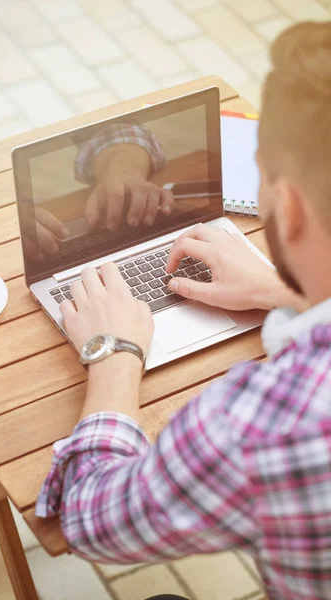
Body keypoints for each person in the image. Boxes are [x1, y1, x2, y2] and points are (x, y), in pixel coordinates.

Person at [36, 21, 331, 600]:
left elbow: (92, 521)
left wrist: (115, 353)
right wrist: (292, 295)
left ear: (288, 207)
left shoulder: (268, 427)